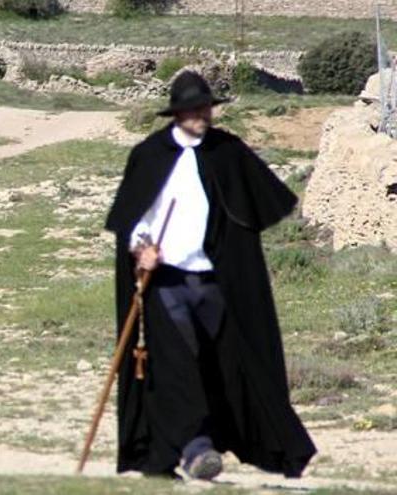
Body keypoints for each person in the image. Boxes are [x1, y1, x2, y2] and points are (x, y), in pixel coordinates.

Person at [104, 71, 316, 480]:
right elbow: (132, 220)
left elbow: (266, 201)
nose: (203, 115)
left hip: (214, 281)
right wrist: (141, 249)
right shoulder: (150, 155)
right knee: (173, 365)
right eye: (195, 109)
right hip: (165, 281)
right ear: (177, 113)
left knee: (226, 363)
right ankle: (194, 449)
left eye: (207, 108)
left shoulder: (226, 152)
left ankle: (260, 445)